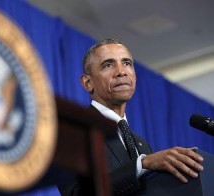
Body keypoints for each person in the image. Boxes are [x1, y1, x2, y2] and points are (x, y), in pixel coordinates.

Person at [57, 38, 204, 195]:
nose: (121, 71)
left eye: (127, 63)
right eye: (108, 65)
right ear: (87, 83)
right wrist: (142, 164)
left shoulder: (141, 143)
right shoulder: (73, 132)